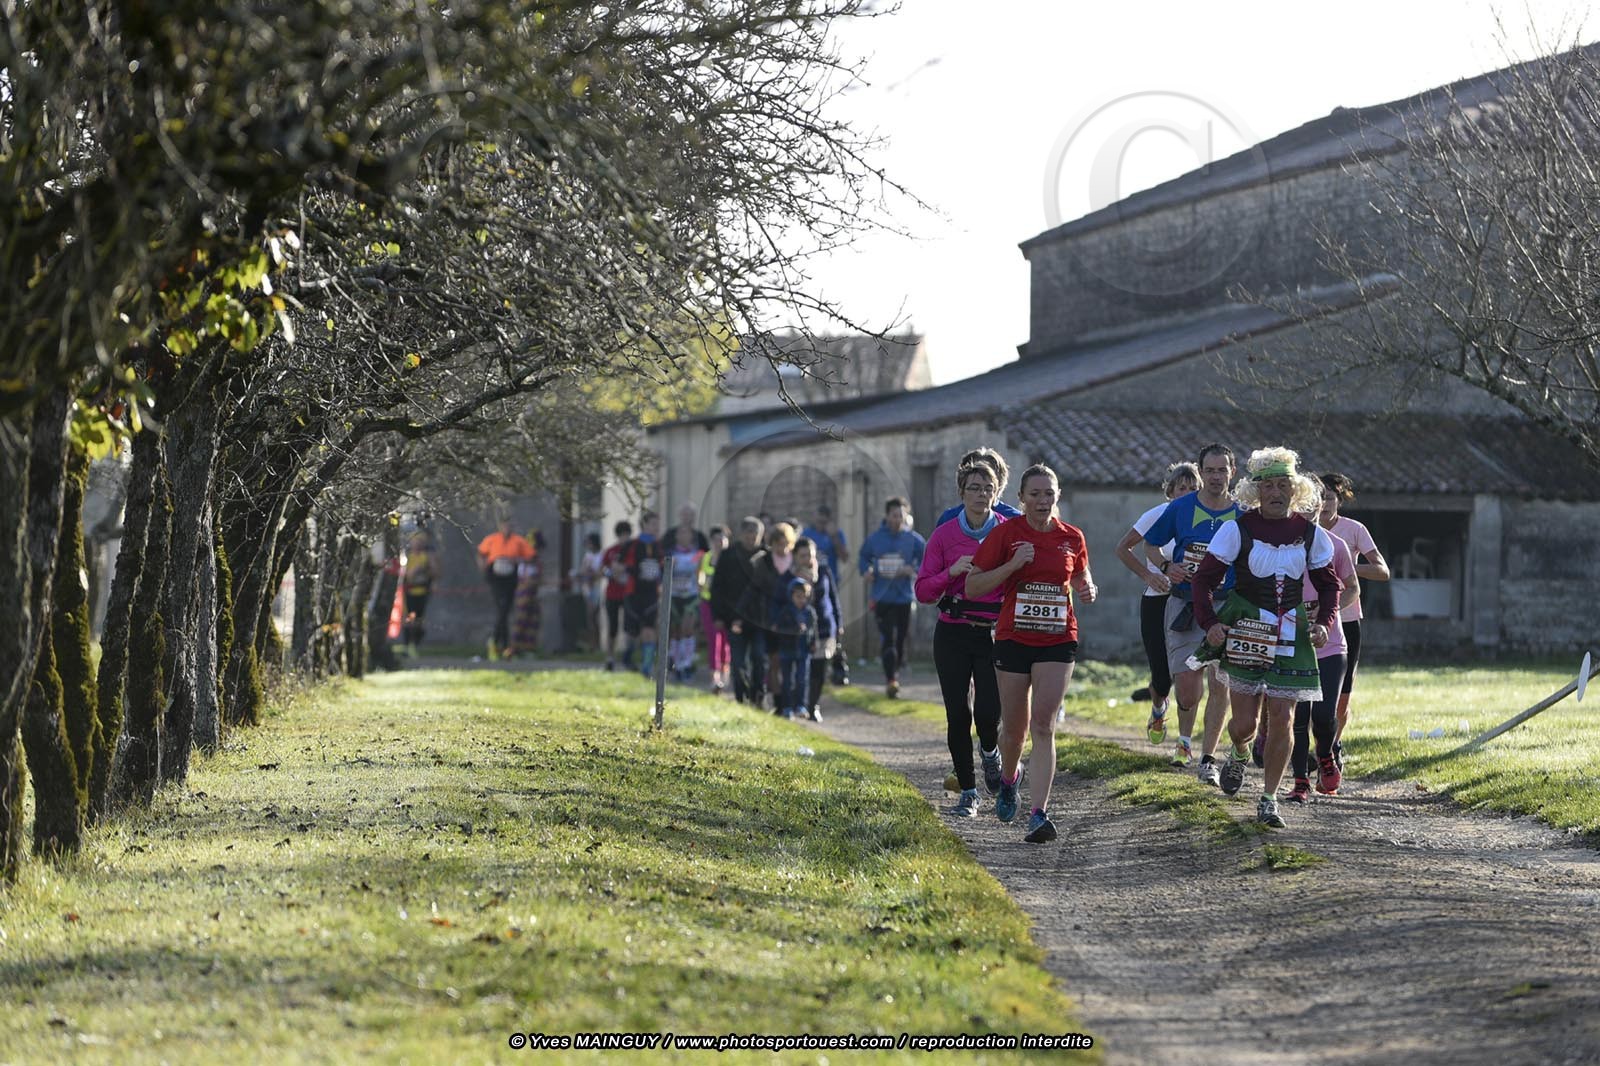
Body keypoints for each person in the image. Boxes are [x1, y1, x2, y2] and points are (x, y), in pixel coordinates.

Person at [1190, 447, 1342, 829]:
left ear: (1295, 489)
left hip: (1291, 631)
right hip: (1246, 629)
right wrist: (1210, 622)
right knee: (1244, 723)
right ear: (1256, 491)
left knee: (1283, 718)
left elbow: (1330, 586)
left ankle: (1269, 799)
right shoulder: (1236, 529)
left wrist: (1324, 622)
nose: (1276, 492)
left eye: (1283, 485)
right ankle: (1240, 751)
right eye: (1268, 486)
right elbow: (1203, 581)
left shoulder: (1311, 534)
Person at [966, 464, 1096, 844]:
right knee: (1014, 730)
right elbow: (973, 586)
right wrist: (1012, 564)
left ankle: (1039, 814)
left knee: (1044, 724)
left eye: (1048, 493)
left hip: (1058, 638)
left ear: (1058, 496)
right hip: (1013, 639)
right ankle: (1009, 779)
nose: (1042, 501)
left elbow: (1080, 575)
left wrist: (1087, 588)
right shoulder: (1006, 534)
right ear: (1021, 498)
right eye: (1035, 494)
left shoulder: (1072, 536)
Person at [1140, 444, 1240, 785]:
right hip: (1184, 604)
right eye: (1210, 470)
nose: (1216, 477)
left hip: (1226, 606)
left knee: (1220, 682)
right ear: (1202, 473)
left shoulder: (1242, 514)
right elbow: (1150, 544)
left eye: (1222, 470)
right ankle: (1183, 730)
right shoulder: (1181, 508)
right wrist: (1167, 566)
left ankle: (1207, 759)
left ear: (1232, 472)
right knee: (1186, 691)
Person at [916, 459, 1006, 818]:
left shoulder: (1008, 532)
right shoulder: (943, 535)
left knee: (988, 713)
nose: (981, 494)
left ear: (997, 493)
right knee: (958, 714)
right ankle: (969, 793)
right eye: (974, 488)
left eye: (988, 488)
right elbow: (923, 591)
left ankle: (990, 752)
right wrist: (950, 573)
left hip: (993, 633)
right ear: (961, 493)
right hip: (952, 631)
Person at [1113, 461, 1200, 763]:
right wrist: (1149, 575)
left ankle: (1184, 743)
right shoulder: (1157, 515)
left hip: (1189, 602)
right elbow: (1123, 548)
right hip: (1157, 601)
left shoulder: (1203, 519)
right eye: (1181, 488)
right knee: (1162, 678)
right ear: (1170, 491)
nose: (1186, 494)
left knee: (1188, 673)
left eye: (1192, 489)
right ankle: (1158, 708)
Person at [1317, 472, 1390, 769]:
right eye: (1319, 498)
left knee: (1342, 694)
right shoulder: (1302, 529)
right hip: (1309, 621)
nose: (1324, 504)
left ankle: (1333, 745)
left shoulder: (1354, 530)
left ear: (1339, 501)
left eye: (1329, 498)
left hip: (1345, 620)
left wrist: (1347, 568)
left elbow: (1382, 571)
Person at [1287, 501, 1358, 803]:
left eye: (1312, 505)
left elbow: (1352, 588)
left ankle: (1326, 754)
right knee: (1299, 718)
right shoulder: (1280, 545)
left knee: (1324, 715)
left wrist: (1327, 612)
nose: (1308, 511)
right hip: (1292, 644)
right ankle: (1300, 781)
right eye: (1301, 506)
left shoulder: (1335, 545)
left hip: (1330, 644)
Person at [858, 497, 926, 697]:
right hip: (882, 597)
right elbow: (863, 557)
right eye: (894, 515)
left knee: (900, 640)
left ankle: (895, 671)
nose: (897, 520)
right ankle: (891, 680)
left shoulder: (913, 539)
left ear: (905, 517)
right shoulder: (875, 539)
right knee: (888, 638)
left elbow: (927, 558)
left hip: (904, 597)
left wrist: (912, 569)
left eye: (901, 516)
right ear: (887, 516)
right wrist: (866, 571)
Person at [710, 517, 767, 706]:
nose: (752, 538)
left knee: (759, 657)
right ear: (741, 534)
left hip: (759, 619)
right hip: (733, 618)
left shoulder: (766, 556)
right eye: (748, 533)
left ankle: (758, 694)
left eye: (755, 534)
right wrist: (718, 615)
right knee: (738, 661)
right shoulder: (728, 556)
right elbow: (717, 587)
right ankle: (741, 697)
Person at [746, 522, 798, 710]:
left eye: (785, 544)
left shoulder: (795, 562)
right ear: (772, 544)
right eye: (777, 544)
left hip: (792, 620)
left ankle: (792, 699)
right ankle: (778, 701)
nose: (782, 548)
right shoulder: (763, 562)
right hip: (769, 619)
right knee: (774, 661)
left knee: (791, 663)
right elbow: (755, 589)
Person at [801, 504, 851, 687]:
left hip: (829, 584)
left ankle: (831, 665)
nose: (821, 523)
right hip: (806, 586)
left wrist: (834, 537)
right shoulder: (807, 534)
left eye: (825, 520)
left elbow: (845, 556)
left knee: (829, 621)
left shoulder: (836, 535)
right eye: (819, 519)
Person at [791, 536, 840, 721]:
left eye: (810, 555)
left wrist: (839, 623)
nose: (807, 559)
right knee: (802, 670)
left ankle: (813, 706)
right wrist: (804, 584)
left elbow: (833, 598)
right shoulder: (792, 577)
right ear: (795, 557)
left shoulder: (824, 571)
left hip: (825, 628)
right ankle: (798, 704)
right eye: (803, 556)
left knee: (819, 670)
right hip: (801, 631)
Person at [477, 518, 534, 661]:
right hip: (495, 575)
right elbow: (481, 553)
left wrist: (517, 560)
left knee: (504, 609)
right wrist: (483, 568)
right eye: (505, 526)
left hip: (510, 575)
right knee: (501, 607)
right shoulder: (492, 539)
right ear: (500, 526)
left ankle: (497, 641)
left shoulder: (518, 541)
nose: (507, 528)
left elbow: (531, 556)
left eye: (509, 526)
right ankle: (503, 644)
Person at [619, 511, 666, 677]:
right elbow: (618, 565)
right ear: (644, 524)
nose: (656, 528)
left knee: (649, 630)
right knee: (632, 632)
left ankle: (647, 668)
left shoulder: (659, 546)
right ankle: (628, 656)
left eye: (658, 524)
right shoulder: (632, 545)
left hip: (651, 594)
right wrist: (628, 571)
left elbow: (663, 566)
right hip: (633, 594)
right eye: (653, 524)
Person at [935, 447, 1020, 527]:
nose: (982, 493)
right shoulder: (949, 518)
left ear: (999, 484)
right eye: (975, 486)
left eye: (989, 477)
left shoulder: (1014, 519)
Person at [773, 577, 817, 719]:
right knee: (787, 680)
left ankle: (801, 706)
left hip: (803, 651)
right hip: (787, 650)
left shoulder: (809, 612)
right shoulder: (785, 612)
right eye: (798, 596)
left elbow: (813, 629)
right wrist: (795, 629)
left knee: (802, 679)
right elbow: (779, 630)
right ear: (791, 596)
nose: (801, 600)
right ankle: (787, 707)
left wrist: (813, 642)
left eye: (804, 597)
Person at [667, 522, 706, 681]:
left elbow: (701, 573)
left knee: (687, 628)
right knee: (676, 631)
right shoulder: (671, 553)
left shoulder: (698, 554)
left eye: (687, 533)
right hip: (674, 597)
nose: (684, 536)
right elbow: (664, 573)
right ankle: (676, 664)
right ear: (676, 536)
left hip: (691, 596)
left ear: (691, 536)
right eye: (681, 533)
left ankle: (687, 663)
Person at [698, 526, 732, 694]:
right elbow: (700, 578)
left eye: (722, 539)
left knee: (726, 640)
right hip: (708, 602)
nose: (719, 543)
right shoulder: (706, 558)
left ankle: (725, 675)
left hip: (727, 605)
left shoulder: (732, 559)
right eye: (716, 539)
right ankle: (714, 677)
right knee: (714, 640)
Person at [599, 520, 633, 671]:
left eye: (627, 535)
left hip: (628, 593)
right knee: (612, 627)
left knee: (629, 626)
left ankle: (627, 655)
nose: (624, 538)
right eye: (622, 535)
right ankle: (610, 657)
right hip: (612, 593)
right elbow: (602, 569)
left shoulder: (633, 550)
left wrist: (622, 569)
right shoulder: (611, 551)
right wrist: (611, 573)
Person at [400, 530, 440, 658]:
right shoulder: (406, 556)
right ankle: (408, 645)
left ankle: (415, 643)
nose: (417, 544)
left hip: (422, 592)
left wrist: (429, 564)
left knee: (419, 619)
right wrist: (414, 570)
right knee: (410, 619)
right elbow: (405, 575)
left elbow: (435, 573)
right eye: (415, 541)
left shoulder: (426, 556)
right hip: (409, 593)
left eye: (420, 542)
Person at [509, 529, 545, 657]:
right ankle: (514, 648)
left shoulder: (535, 560)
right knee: (521, 619)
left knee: (533, 619)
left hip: (533, 592)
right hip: (524, 591)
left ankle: (529, 648)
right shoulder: (525, 556)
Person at [576, 531, 605, 652]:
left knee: (594, 615)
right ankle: (591, 643)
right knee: (589, 617)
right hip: (587, 587)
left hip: (597, 587)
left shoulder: (601, 555)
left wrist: (593, 573)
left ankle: (597, 644)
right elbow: (583, 570)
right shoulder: (587, 556)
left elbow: (601, 571)